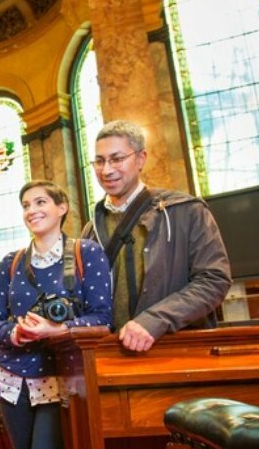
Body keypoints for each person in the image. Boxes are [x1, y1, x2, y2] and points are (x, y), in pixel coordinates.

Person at [0, 180, 111, 449]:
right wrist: (15, 332)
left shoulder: (87, 254)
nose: (31, 210)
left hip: (63, 382)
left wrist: (59, 330)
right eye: (25, 204)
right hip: (15, 384)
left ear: (62, 207)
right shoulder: (12, 262)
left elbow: (103, 317)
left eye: (41, 202)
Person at [81, 119, 231, 352]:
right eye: (99, 161)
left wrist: (154, 320)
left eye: (117, 159)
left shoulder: (185, 211)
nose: (107, 170)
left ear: (141, 158)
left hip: (177, 349)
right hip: (111, 353)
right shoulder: (90, 230)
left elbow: (214, 280)